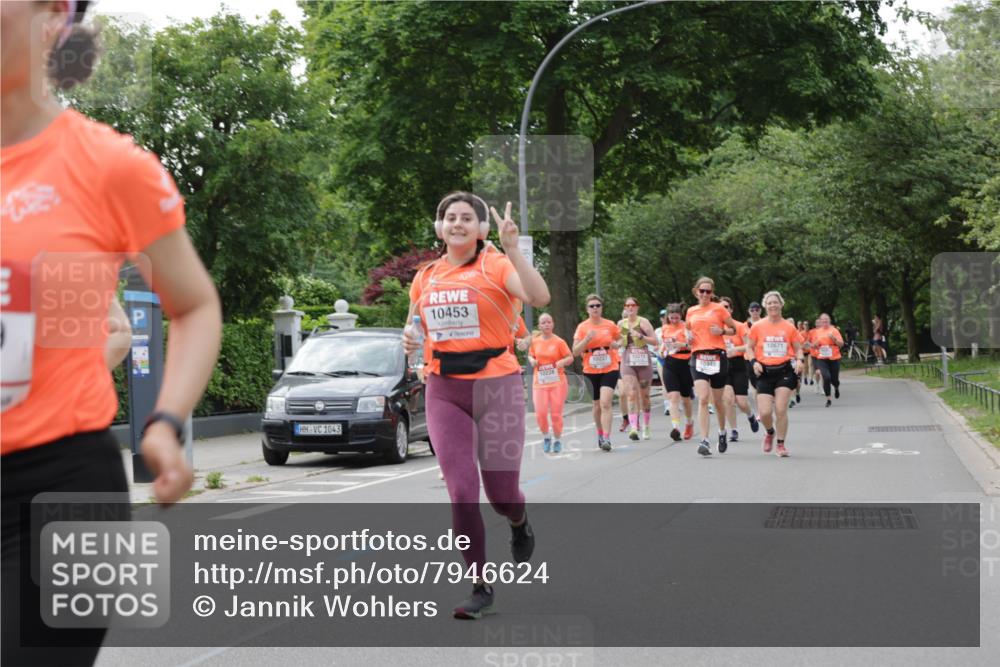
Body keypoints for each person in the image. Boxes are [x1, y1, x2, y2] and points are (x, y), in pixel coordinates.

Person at [1, 2, 222, 663]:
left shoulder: (108, 166)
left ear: (54, 17)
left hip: (64, 490)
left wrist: (165, 422)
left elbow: (194, 306)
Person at [403, 193, 549, 620]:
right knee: (462, 494)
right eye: (450, 217)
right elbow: (414, 329)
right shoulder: (425, 276)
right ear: (439, 227)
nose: (458, 223)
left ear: (482, 229)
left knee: (501, 494)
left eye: (468, 218)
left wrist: (513, 249)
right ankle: (480, 585)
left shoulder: (498, 265)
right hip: (444, 388)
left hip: (497, 385)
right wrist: (410, 342)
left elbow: (539, 297)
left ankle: (518, 520)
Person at [745, 292, 804, 458]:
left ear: (781, 305)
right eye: (769, 303)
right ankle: (770, 432)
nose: (773, 306)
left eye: (775, 303)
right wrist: (754, 362)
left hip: (784, 371)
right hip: (764, 372)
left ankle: (781, 444)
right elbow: (749, 347)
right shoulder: (758, 326)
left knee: (780, 408)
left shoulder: (789, 327)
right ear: (765, 306)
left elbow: (798, 348)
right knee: (764, 413)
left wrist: (800, 360)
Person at [685, 277, 739, 456]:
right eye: (702, 291)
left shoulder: (719, 309)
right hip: (698, 357)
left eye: (708, 291)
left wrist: (722, 331)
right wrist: (688, 336)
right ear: (696, 292)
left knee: (717, 401)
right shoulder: (691, 311)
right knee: (702, 398)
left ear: (712, 293)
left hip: (717, 356)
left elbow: (734, 330)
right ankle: (705, 440)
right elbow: (687, 329)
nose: (705, 294)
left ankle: (722, 431)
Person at [573, 294, 622, 452]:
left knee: (605, 402)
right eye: (592, 306)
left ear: (601, 308)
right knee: (596, 405)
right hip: (590, 369)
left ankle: (607, 438)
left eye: (597, 305)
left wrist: (616, 344)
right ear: (587, 309)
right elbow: (575, 351)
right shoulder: (582, 327)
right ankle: (600, 433)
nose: (595, 308)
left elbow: (622, 340)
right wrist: (586, 339)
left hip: (610, 367)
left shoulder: (610, 325)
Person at [527, 314, 573, 454]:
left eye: (548, 322)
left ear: (552, 324)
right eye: (543, 322)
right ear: (539, 326)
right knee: (540, 413)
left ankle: (557, 439)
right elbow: (530, 355)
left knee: (555, 414)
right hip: (539, 382)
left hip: (557, 382)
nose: (546, 324)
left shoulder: (559, 342)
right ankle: (547, 437)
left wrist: (562, 362)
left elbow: (570, 357)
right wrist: (532, 361)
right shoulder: (535, 341)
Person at [719, 297, 759, 443]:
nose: (724, 310)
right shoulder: (715, 327)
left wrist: (735, 348)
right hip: (722, 365)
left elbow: (749, 345)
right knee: (728, 399)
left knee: (741, 401)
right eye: (721, 307)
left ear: (731, 309)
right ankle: (734, 430)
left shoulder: (739, 326)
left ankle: (750, 415)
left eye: (726, 307)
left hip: (738, 364)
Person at [617, 297, 657, 440]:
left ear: (637, 307)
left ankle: (646, 426)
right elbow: (618, 342)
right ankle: (634, 428)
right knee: (631, 394)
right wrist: (619, 341)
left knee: (644, 396)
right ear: (625, 308)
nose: (630, 308)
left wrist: (640, 335)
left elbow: (655, 341)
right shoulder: (621, 323)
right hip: (628, 360)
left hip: (643, 361)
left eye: (633, 305)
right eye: (627, 305)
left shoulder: (644, 322)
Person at [659, 303, 695, 441]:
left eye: (676, 318)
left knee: (685, 399)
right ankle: (676, 428)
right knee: (673, 397)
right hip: (670, 364)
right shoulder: (665, 328)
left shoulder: (686, 327)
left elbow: (694, 345)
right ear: (668, 316)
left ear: (681, 316)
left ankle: (689, 423)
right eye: (671, 318)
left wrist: (682, 345)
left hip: (685, 364)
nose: (674, 320)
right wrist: (662, 351)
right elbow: (664, 344)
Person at [812, 313, 844, 407]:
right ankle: (828, 398)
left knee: (834, 379)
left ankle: (836, 387)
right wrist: (814, 344)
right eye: (823, 320)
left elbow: (841, 344)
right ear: (820, 322)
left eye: (826, 320)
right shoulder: (817, 332)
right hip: (822, 358)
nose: (825, 321)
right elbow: (813, 346)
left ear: (829, 321)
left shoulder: (834, 330)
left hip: (834, 358)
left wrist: (833, 338)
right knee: (826, 377)